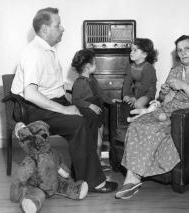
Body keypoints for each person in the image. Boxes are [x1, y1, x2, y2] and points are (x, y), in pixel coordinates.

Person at [11, 7, 118, 194]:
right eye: (58, 25)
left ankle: (83, 173)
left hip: (52, 100)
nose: (63, 28)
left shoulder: (47, 50)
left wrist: (75, 88)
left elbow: (52, 85)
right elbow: (31, 94)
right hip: (32, 108)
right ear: (45, 29)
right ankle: (94, 182)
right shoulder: (33, 53)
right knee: (77, 122)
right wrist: (65, 110)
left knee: (92, 115)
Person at [115, 35, 189, 199]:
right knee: (138, 123)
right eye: (179, 50)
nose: (183, 53)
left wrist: (183, 86)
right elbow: (163, 99)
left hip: (186, 117)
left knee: (149, 127)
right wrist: (163, 94)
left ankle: (132, 179)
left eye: (187, 48)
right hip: (165, 111)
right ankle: (132, 177)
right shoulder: (175, 71)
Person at [71, 49, 120, 164]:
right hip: (91, 116)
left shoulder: (93, 79)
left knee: (99, 141)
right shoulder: (79, 83)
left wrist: (111, 100)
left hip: (100, 113)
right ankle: (93, 163)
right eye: (95, 63)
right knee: (93, 141)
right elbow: (75, 100)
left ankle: (98, 161)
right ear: (88, 66)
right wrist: (90, 106)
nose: (96, 65)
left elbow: (101, 94)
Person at [122, 38, 158, 109]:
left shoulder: (148, 68)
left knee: (138, 104)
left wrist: (135, 98)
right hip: (136, 91)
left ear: (144, 54)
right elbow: (126, 83)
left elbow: (145, 86)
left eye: (135, 50)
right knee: (126, 103)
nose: (131, 52)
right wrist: (125, 95)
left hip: (147, 92)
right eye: (131, 50)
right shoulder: (130, 66)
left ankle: (150, 117)